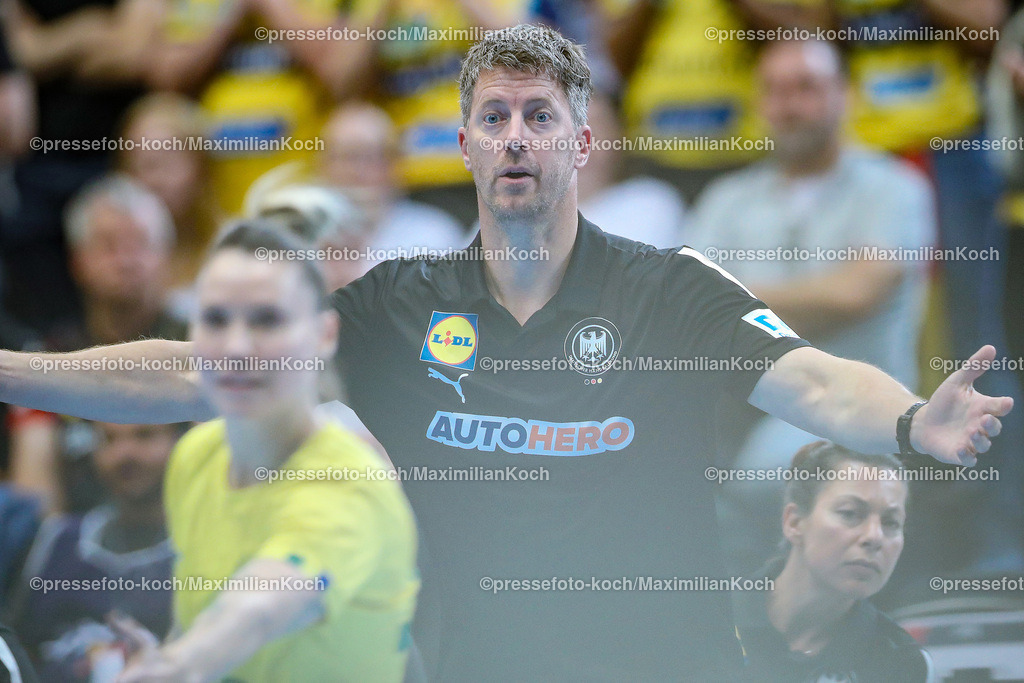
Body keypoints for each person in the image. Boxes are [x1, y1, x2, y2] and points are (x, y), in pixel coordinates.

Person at [0, 25, 1012, 680]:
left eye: (540, 117)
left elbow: (815, 380)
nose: (517, 137)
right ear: (466, 144)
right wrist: (10, 371)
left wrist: (909, 420)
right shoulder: (400, 307)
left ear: (580, 143)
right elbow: (192, 371)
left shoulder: (669, 287)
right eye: (495, 117)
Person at [111, 221, 419, 682]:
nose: (237, 348)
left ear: (325, 336)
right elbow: (201, 624)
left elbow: (260, 608)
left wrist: (178, 666)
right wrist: (166, 656)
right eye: (216, 320)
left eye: (267, 320)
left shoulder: (352, 483)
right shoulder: (196, 456)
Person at [687, 38, 935, 574]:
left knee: (769, 474)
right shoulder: (727, 198)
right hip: (735, 404)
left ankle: (775, 643)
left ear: (845, 95)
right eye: (774, 90)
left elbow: (855, 295)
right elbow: (687, 308)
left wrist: (735, 299)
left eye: (807, 87)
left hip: (860, 406)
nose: (789, 104)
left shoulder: (894, 188)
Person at [736, 441, 933, 682]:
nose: (874, 537)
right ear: (794, 522)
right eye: (849, 513)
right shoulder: (707, 619)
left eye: (891, 522)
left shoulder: (902, 663)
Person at [9, 421, 184, 682]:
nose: (124, 454)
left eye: (144, 435)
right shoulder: (56, 539)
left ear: (185, 441)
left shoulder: (203, 548)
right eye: (109, 439)